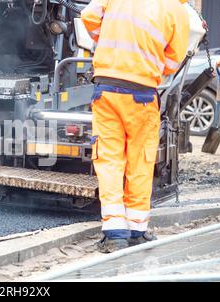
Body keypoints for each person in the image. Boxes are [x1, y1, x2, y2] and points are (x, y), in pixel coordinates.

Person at [81, 0, 190, 253]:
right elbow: (173, 60)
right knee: (139, 162)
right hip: (142, 93)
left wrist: (109, 45)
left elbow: (88, 16)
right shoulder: (176, 9)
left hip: (106, 88)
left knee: (109, 161)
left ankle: (114, 232)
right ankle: (137, 231)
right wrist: (147, 62)